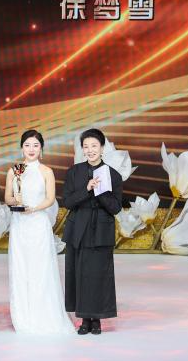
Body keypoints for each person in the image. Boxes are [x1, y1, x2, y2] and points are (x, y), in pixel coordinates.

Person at [5, 130, 75, 334]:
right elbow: (7, 198)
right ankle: (23, 316)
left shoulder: (46, 171)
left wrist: (33, 209)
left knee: (41, 268)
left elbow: (50, 199)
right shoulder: (13, 171)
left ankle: (44, 314)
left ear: (41, 149)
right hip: (19, 225)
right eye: (27, 145)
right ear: (21, 148)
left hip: (38, 223)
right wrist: (16, 201)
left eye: (35, 145)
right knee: (21, 267)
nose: (31, 149)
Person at [62, 128, 123, 335]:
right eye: (86, 146)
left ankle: (96, 319)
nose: (90, 150)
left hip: (101, 232)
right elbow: (67, 201)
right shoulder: (74, 172)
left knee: (98, 275)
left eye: (94, 146)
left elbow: (116, 208)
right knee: (79, 274)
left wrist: (100, 191)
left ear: (102, 148)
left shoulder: (113, 175)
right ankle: (84, 319)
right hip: (78, 230)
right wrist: (86, 189)